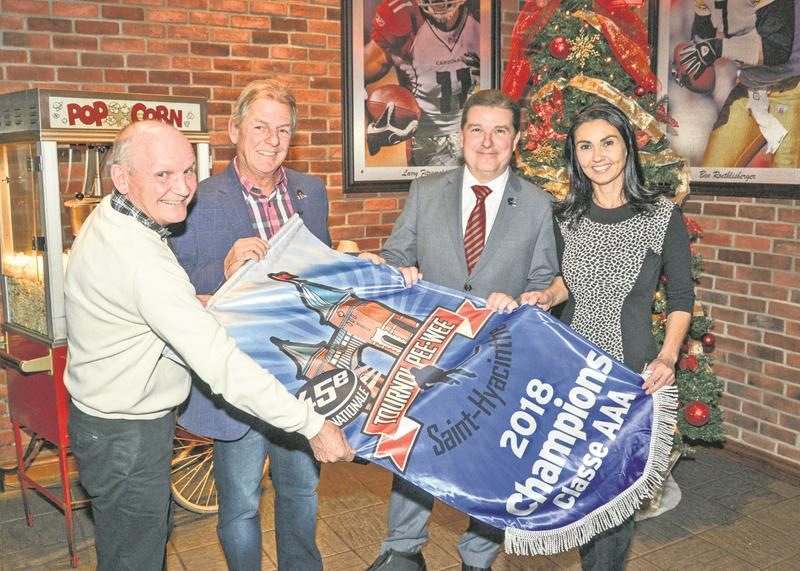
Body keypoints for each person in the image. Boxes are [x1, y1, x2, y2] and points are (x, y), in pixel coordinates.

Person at [64, 120, 354, 571]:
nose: (183, 188)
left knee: (137, 544)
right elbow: (220, 365)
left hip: (108, 422)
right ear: (122, 177)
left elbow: (145, 309)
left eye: (187, 170)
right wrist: (311, 425)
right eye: (163, 174)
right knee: (134, 557)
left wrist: (193, 304)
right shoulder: (140, 259)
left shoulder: (115, 216)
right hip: (127, 436)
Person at [362, 89, 559, 571]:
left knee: (490, 459)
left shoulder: (537, 204)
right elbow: (395, 255)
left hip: (500, 357)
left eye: (499, 131)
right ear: (461, 136)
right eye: (477, 130)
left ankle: (478, 556)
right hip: (429, 350)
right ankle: (403, 549)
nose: (487, 142)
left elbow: (543, 279)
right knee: (414, 446)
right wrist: (397, 269)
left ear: (516, 140)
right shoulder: (426, 192)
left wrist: (526, 298)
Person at [521, 102, 694, 570]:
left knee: (616, 495)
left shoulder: (660, 216)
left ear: (627, 147)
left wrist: (668, 357)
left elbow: (681, 296)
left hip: (629, 377)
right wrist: (546, 295)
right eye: (585, 146)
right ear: (574, 156)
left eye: (607, 142)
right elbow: (567, 283)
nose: (597, 156)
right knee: (580, 489)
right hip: (573, 376)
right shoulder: (565, 216)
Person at [168, 80, 332, 571]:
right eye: (260, 127)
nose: (271, 140)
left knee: (300, 490)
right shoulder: (196, 197)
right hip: (234, 376)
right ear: (234, 130)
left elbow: (323, 272)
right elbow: (170, 283)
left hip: (299, 375)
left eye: (282, 129)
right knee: (240, 503)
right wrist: (222, 268)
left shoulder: (310, 191)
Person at [675, 0, 800, 167]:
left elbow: (777, 50)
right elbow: (703, 37)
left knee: (785, 178)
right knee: (712, 172)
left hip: (791, 89)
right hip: (749, 88)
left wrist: (717, 48)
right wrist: (688, 65)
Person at [364, 0, 481, 166]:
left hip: (473, 134)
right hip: (426, 141)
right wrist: (374, 123)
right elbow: (358, 73)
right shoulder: (404, 15)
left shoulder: (481, 14)